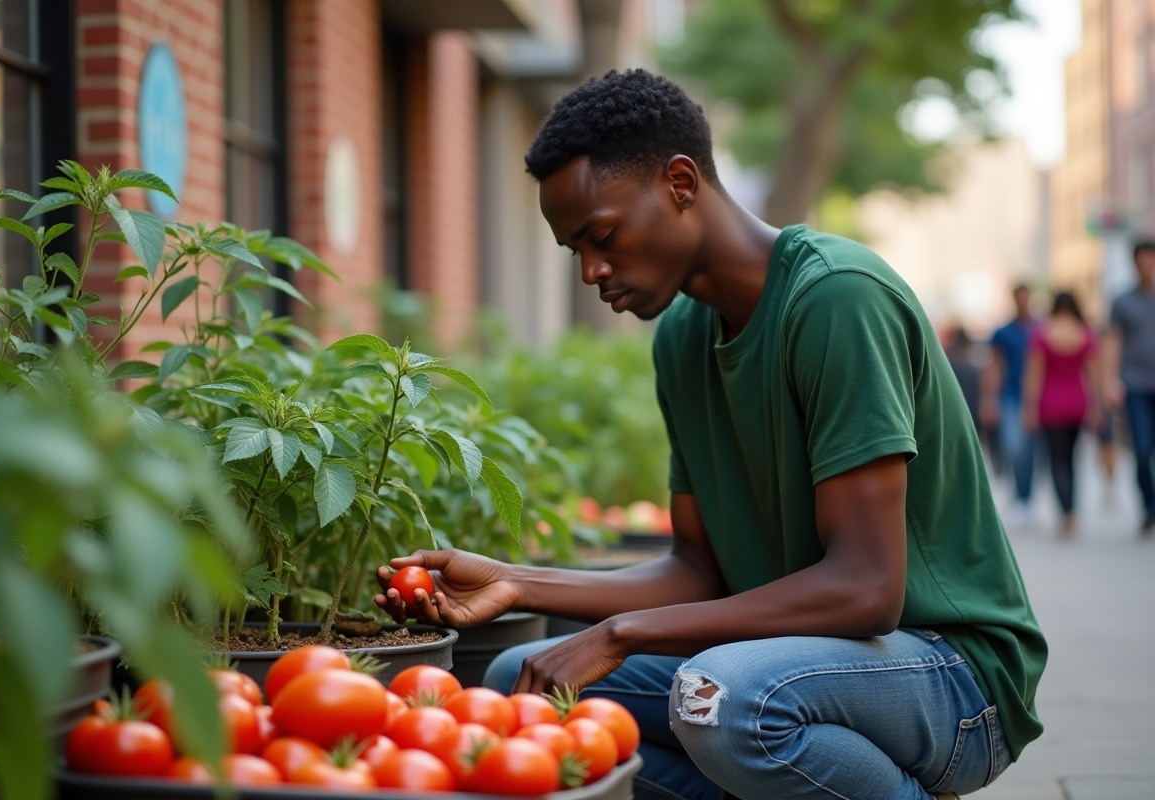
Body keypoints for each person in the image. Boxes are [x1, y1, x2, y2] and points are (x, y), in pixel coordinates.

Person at [374, 69, 1046, 800]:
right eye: (575, 251)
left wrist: (620, 634)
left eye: (602, 235)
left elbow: (867, 589)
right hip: (795, 663)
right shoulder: (682, 340)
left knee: (719, 699)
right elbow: (698, 569)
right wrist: (517, 582)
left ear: (681, 183)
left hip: (951, 676)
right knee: (521, 684)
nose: (593, 271)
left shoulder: (836, 299)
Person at [1022, 292, 1100, 535]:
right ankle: (1072, 512)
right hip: (1078, 403)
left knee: (1057, 462)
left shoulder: (1043, 334)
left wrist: (1029, 409)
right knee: (1072, 460)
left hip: (1051, 405)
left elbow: (1033, 375)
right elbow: (1094, 376)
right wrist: (1097, 408)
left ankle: (1066, 513)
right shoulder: (1085, 334)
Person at [1103, 240, 1155, 535]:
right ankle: (1149, 506)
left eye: (1151, 260)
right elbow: (1112, 341)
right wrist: (1110, 380)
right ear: (1135, 263)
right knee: (1143, 449)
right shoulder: (1122, 301)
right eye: (1142, 260)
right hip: (1134, 384)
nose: (1147, 265)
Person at [981, 285, 1037, 526]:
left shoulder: (1040, 330)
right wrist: (989, 399)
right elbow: (994, 366)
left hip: (1035, 398)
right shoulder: (1003, 332)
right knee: (1014, 447)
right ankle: (1020, 495)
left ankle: (1026, 498)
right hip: (1011, 396)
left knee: (1033, 452)